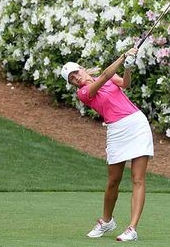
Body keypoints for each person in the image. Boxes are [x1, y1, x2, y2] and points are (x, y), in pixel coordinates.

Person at [61, 47, 152, 242]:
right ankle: (107, 220)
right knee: (113, 181)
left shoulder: (110, 76)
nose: (76, 78)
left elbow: (126, 84)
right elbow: (103, 76)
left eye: (76, 73)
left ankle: (132, 228)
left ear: (82, 69)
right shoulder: (84, 93)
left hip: (137, 124)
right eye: (71, 79)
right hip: (116, 131)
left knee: (138, 179)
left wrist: (128, 67)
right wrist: (122, 56)